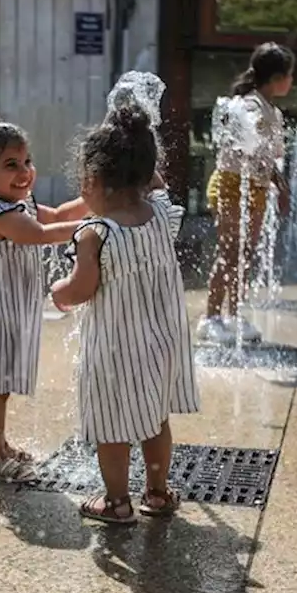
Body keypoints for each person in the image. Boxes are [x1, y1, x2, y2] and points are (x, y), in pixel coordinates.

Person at [49, 105, 199, 524]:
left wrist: (57, 290)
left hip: (116, 353)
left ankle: (116, 502)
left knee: (111, 429)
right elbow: (160, 185)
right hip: (163, 344)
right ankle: (158, 491)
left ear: (93, 181)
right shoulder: (161, 216)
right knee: (155, 420)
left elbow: (80, 289)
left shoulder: (95, 234)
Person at [0, 106, 82, 482]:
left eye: (27, 161)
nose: (25, 171)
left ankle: (0, 445)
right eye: (11, 165)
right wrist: (98, 224)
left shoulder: (19, 204)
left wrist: (99, 200)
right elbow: (42, 234)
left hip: (9, 313)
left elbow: (57, 215)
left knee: (2, 388)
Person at [197, 42, 295, 347]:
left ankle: (235, 314)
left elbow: (270, 159)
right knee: (229, 253)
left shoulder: (274, 113)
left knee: (245, 255)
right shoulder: (246, 106)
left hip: (256, 188)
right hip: (230, 184)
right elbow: (239, 150)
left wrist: (279, 185)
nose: (292, 81)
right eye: (290, 75)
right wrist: (274, 179)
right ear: (277, 77)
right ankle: (210, 318)